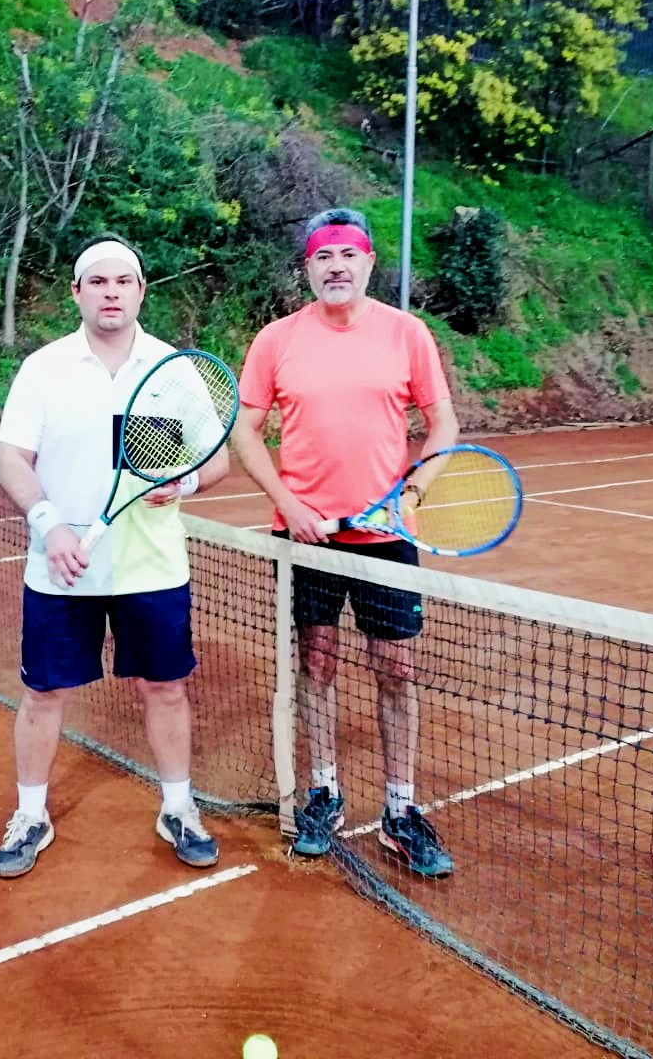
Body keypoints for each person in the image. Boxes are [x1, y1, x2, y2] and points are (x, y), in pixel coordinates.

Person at [0, 236, 231, 879]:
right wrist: (50, 525)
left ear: (141, 291)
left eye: (123, 281)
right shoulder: (43, 368)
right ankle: (31, 814)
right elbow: (13, 456)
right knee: (44, 693)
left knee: (166, 688)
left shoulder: (175, 371)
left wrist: (182, 485)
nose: (111, 292)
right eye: (97, 282)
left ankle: (179, 807)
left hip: (152, 568)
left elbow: (216, 462)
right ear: (76, 292)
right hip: (60, 568)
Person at [230, 207, 460, 878]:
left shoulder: (405, 334)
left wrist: (411, 495)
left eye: (347, 256)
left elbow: (441, 421)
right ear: (308, 267)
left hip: (386, 541)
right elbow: (245, 430)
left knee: (397, 672)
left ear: (366, 263)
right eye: (322, 257)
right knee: (318, 666)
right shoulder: (276, 339)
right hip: (304, 542)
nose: (335, 266)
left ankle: (399, 809)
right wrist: (287, 503)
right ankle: (324, 793)